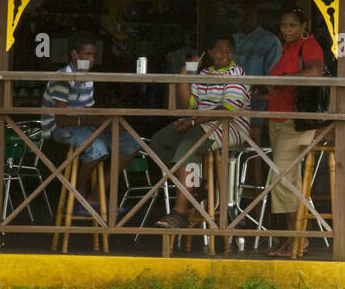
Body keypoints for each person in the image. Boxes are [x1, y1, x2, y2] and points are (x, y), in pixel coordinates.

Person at [151, 33, 250, 228]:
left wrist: (194, 122)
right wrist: (184, 74)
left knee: (189, 144)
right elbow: (189, 104)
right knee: (159, 141)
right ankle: (196, 184)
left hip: (230, 127)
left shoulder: (237, 74)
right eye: (220, 50)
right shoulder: (203, 75)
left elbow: (228, 110)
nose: (225, 53)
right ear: (210, 53)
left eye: (229, 50)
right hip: (200, 124)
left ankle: (180, 211)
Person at [41, 32, 138, 208]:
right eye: (87, 54)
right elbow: (61, 119)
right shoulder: (62, 78)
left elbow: (88, 111)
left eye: (93, 55)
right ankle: (77, 192)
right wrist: (94, 122)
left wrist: (108, 122)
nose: (91, 59)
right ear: (74, 54)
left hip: (82, 125)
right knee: (98, 149)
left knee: (131, 144)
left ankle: (96, 195)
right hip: (60, 128)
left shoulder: (88, 78)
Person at [264, 6, 325, 257]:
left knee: (282, 180)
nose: (286, 30)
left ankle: (297, 239)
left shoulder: (309, 46)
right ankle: (294, 238)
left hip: (295, 122)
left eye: (292, 25)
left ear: (303, 27)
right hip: (278, 120)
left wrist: (284, 79)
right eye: (283, 25)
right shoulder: (287, 48)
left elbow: (315, 72)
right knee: (288, 182)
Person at [232, 0, 280, 112]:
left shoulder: (270, 41)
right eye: (240, 16)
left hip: (257, 107)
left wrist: (260, 87)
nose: (243, 19)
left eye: (248, 15)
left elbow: (273, 78)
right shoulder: (232, 39)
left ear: (258, 17)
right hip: (230, 104)